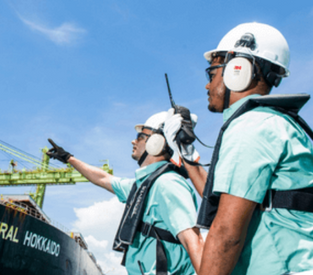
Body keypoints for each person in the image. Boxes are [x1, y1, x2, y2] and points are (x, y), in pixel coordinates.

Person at [164, 22, 313, 275]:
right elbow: (227, 201)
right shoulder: (271, 122)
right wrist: (187, 154)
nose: (207, 86)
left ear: (238, 68)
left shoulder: (252, 127)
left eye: (211, 74)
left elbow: (226, 233)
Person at [46, 111, 204, 275]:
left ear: (158, 142)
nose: (133, 141)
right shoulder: (142, 187)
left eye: (140, 136)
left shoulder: (168, 184)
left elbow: (194, 242)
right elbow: (103, 179)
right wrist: (69, 158)